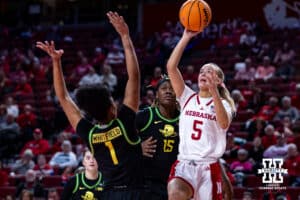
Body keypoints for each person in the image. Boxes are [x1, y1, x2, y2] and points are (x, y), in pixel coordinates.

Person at [36, 11, 144, 199]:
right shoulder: (124, 121)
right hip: (136, 192)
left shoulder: (91, 134)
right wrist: (125, 37)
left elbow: (63, 98)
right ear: (112, 108)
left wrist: (56, 62)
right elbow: (134, 77)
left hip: (108, 194)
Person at [166, 29, 235, 200]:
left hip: (209, 168)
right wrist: (185, 37)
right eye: (202, 71)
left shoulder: (225, 104)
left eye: (209, 71)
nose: (203, 73)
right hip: (184, 164)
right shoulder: (187, 96)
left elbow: (224, 123)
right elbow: (171, 67)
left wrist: (214, 92)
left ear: (219, 81)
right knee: (175, 194)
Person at [136, 75, 180, 200]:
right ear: (156, 95)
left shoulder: (185, 119)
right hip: (148, 182)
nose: (168, 91)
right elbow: (121, 138)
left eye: (172, 88)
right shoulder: (145, 116)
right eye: (164, 88)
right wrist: (136, 147)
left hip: (176, 181)